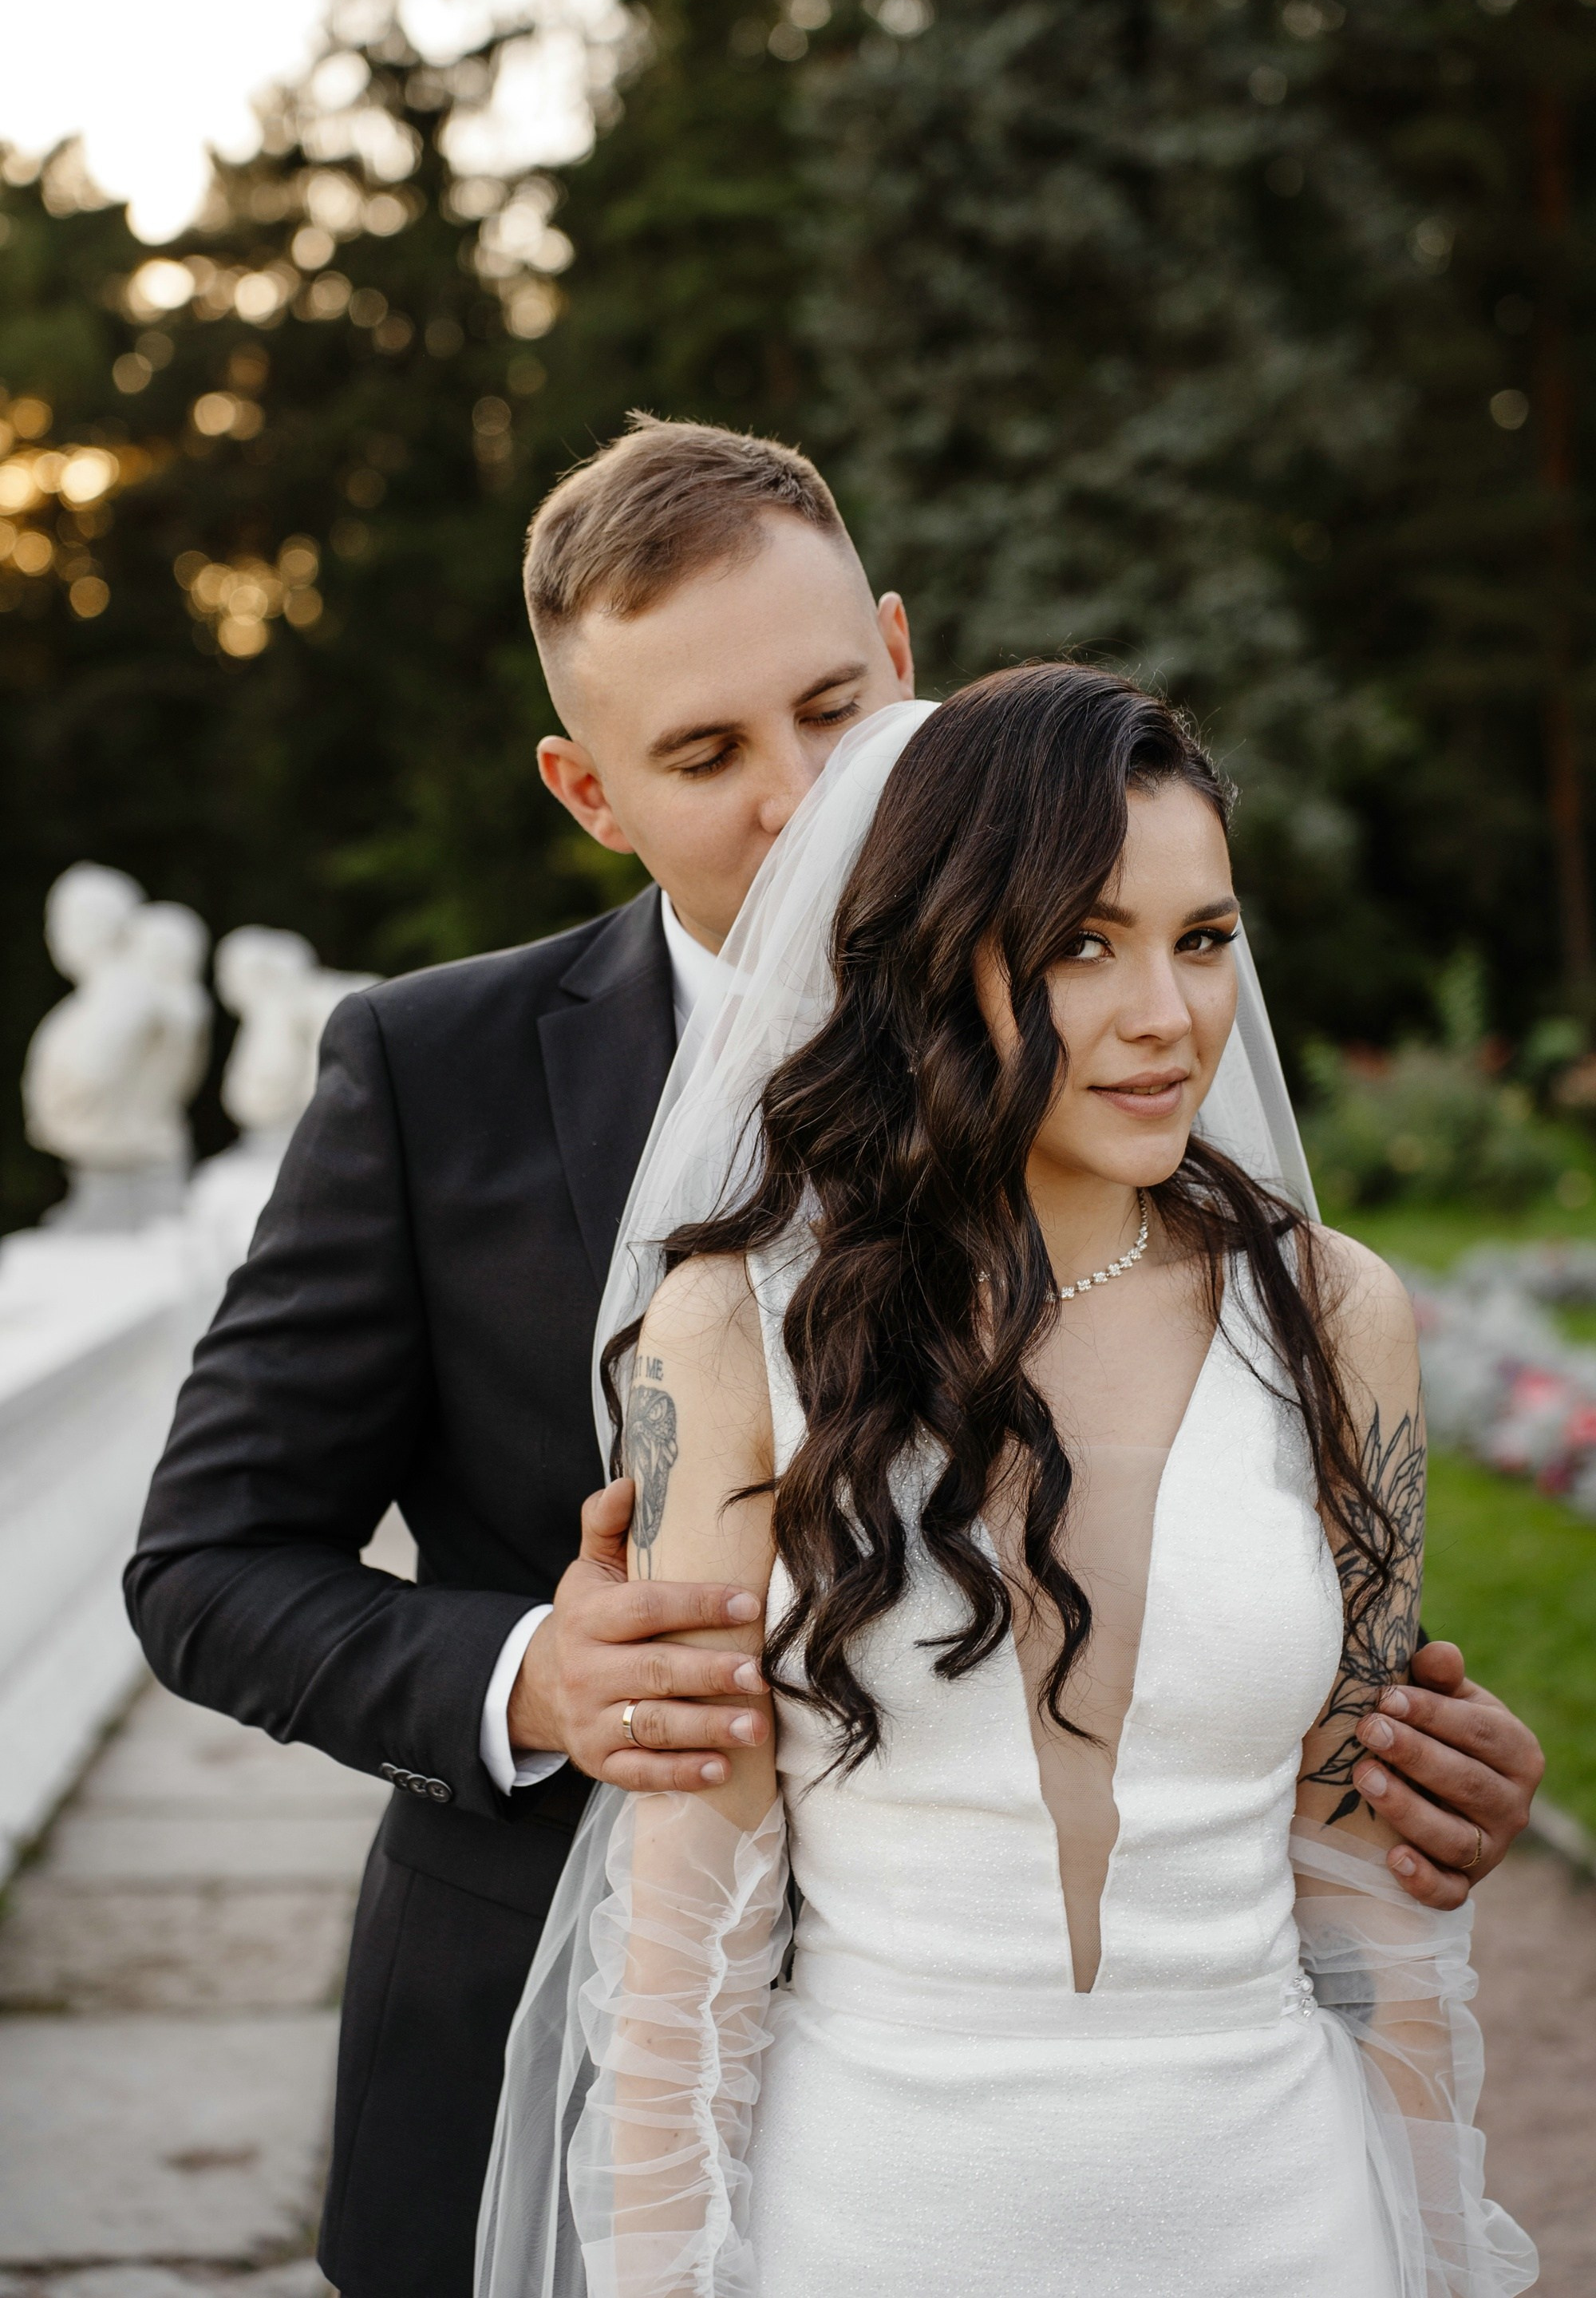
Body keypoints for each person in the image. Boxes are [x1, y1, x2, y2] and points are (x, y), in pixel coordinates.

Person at [125, 420, 1543, 2298]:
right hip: (555, 2082)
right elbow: (202, 1566)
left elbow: (1289, 1707)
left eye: (833, 705)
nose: (804, 797)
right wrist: (542, 1675)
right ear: (587, 788)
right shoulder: (427, 1075)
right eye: (705, 755)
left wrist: (1399, 1767)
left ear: (902, 652)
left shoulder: (1145, 1089)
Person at [480, 677, 1535, 2298]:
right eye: (1081, 943)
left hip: (1283, 2214)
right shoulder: (736, 1331)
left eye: (1201, 939)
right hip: (882, 2217)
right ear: (930, 956)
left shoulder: (1333, 1316)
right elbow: (687, 1941)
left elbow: (1371, 1890)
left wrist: (1433, 2248)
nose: (1165, 1016)